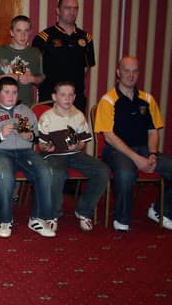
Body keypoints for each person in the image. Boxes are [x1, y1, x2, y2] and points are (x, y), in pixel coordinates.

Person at [94, 56, 172, 231]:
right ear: (118, 73)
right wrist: (137, 159)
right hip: (116, 150)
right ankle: (122, 220)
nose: (131, 75)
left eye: (135, 71)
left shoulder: (147, 99)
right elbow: (109, 136)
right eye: (126, 70)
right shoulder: (108, 101)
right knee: (126, 174)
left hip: (145, 149)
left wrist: (153, 154)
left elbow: (153, 131)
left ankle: (162, 212)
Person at [0, 77, 56, 238]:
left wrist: (30, 136)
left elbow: (37, 135)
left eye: (14, 92)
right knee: (4, 175)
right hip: (1, 151)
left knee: (45, 171)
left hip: (25, 151)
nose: (11, 96)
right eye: (7, 92)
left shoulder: (26, 110)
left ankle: (37, 219)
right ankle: (6, 220)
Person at [37, 81, 109, 232]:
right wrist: (47, 147)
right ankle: (53, 214)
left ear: (75, 97)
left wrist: (77, 146)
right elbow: (41, 145)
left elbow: (83, 142)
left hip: (76, 154)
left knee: (102, 170)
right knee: (57, 173)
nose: (67, 98)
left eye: (70, 95)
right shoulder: (46, 117)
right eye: (63, 95)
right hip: (54, 155)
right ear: (54, 97)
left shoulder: (79, 115)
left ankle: (84, 210)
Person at [32, 0, 95, 113]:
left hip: (75, 99)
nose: (72, 12)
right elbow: (36, 71)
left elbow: (86, 69)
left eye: (75, 8)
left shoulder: (86, 38)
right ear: (58, 11)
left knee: (76, 131)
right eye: (67, 8)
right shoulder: (43, 38)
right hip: (50, 98)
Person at [0, 15, 44, 107]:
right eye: (19, 31)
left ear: (30, 32)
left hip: (26, 105)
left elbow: (41, 78)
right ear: (11, 32)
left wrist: (32, 79)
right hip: (2, 106)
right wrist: (2, 77)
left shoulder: (35, 53)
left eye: (26, 31)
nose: (23, 35)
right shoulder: (1, 51)